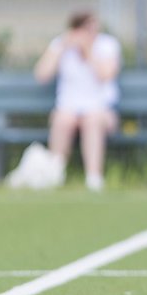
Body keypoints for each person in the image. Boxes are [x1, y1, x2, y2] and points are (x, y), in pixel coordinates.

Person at [33, 10, 122, 191]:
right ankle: (54, 174)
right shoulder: (61, 45)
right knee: (62, 120)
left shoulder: (108, 45)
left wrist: (88, 51)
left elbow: (106, 75)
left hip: (102, 109)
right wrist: (60, 48)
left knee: (92, 120)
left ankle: (94, 178)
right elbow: (42, 75)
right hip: (68, 108)